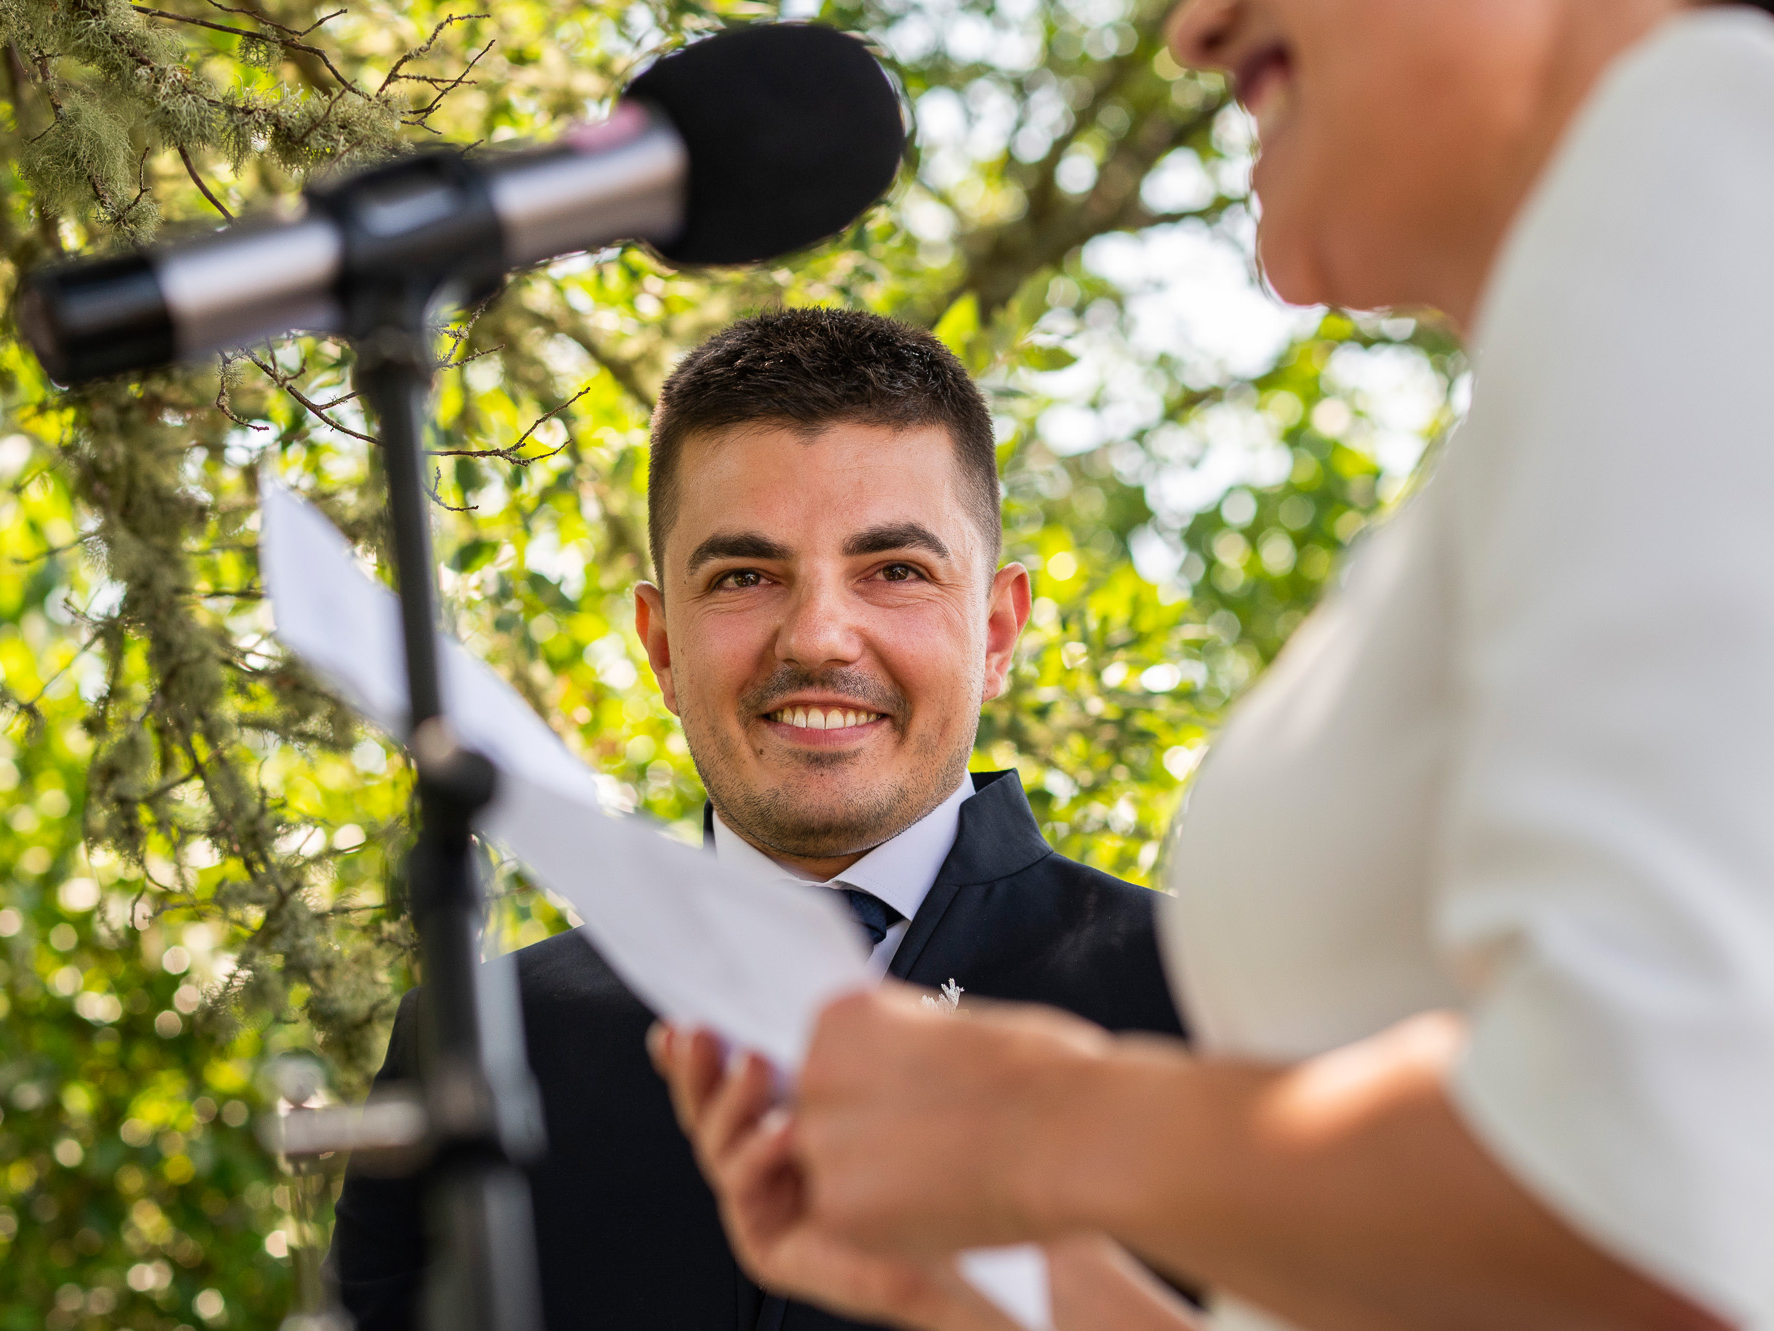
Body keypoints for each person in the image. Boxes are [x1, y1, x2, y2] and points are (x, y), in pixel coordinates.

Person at [658, 2, 1774, 1329]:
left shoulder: (1725, 163)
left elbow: (1665, 1198)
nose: (1194, 27)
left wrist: (1037, 1120)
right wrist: (1038, 1300)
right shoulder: (1572, 375)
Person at [329, 308, 1188, 1331]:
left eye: (895, 570)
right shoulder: (479, 1038)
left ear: (997, 632)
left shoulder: (1198, 996)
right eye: (744, 576)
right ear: (660, 644)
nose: (818, 636)